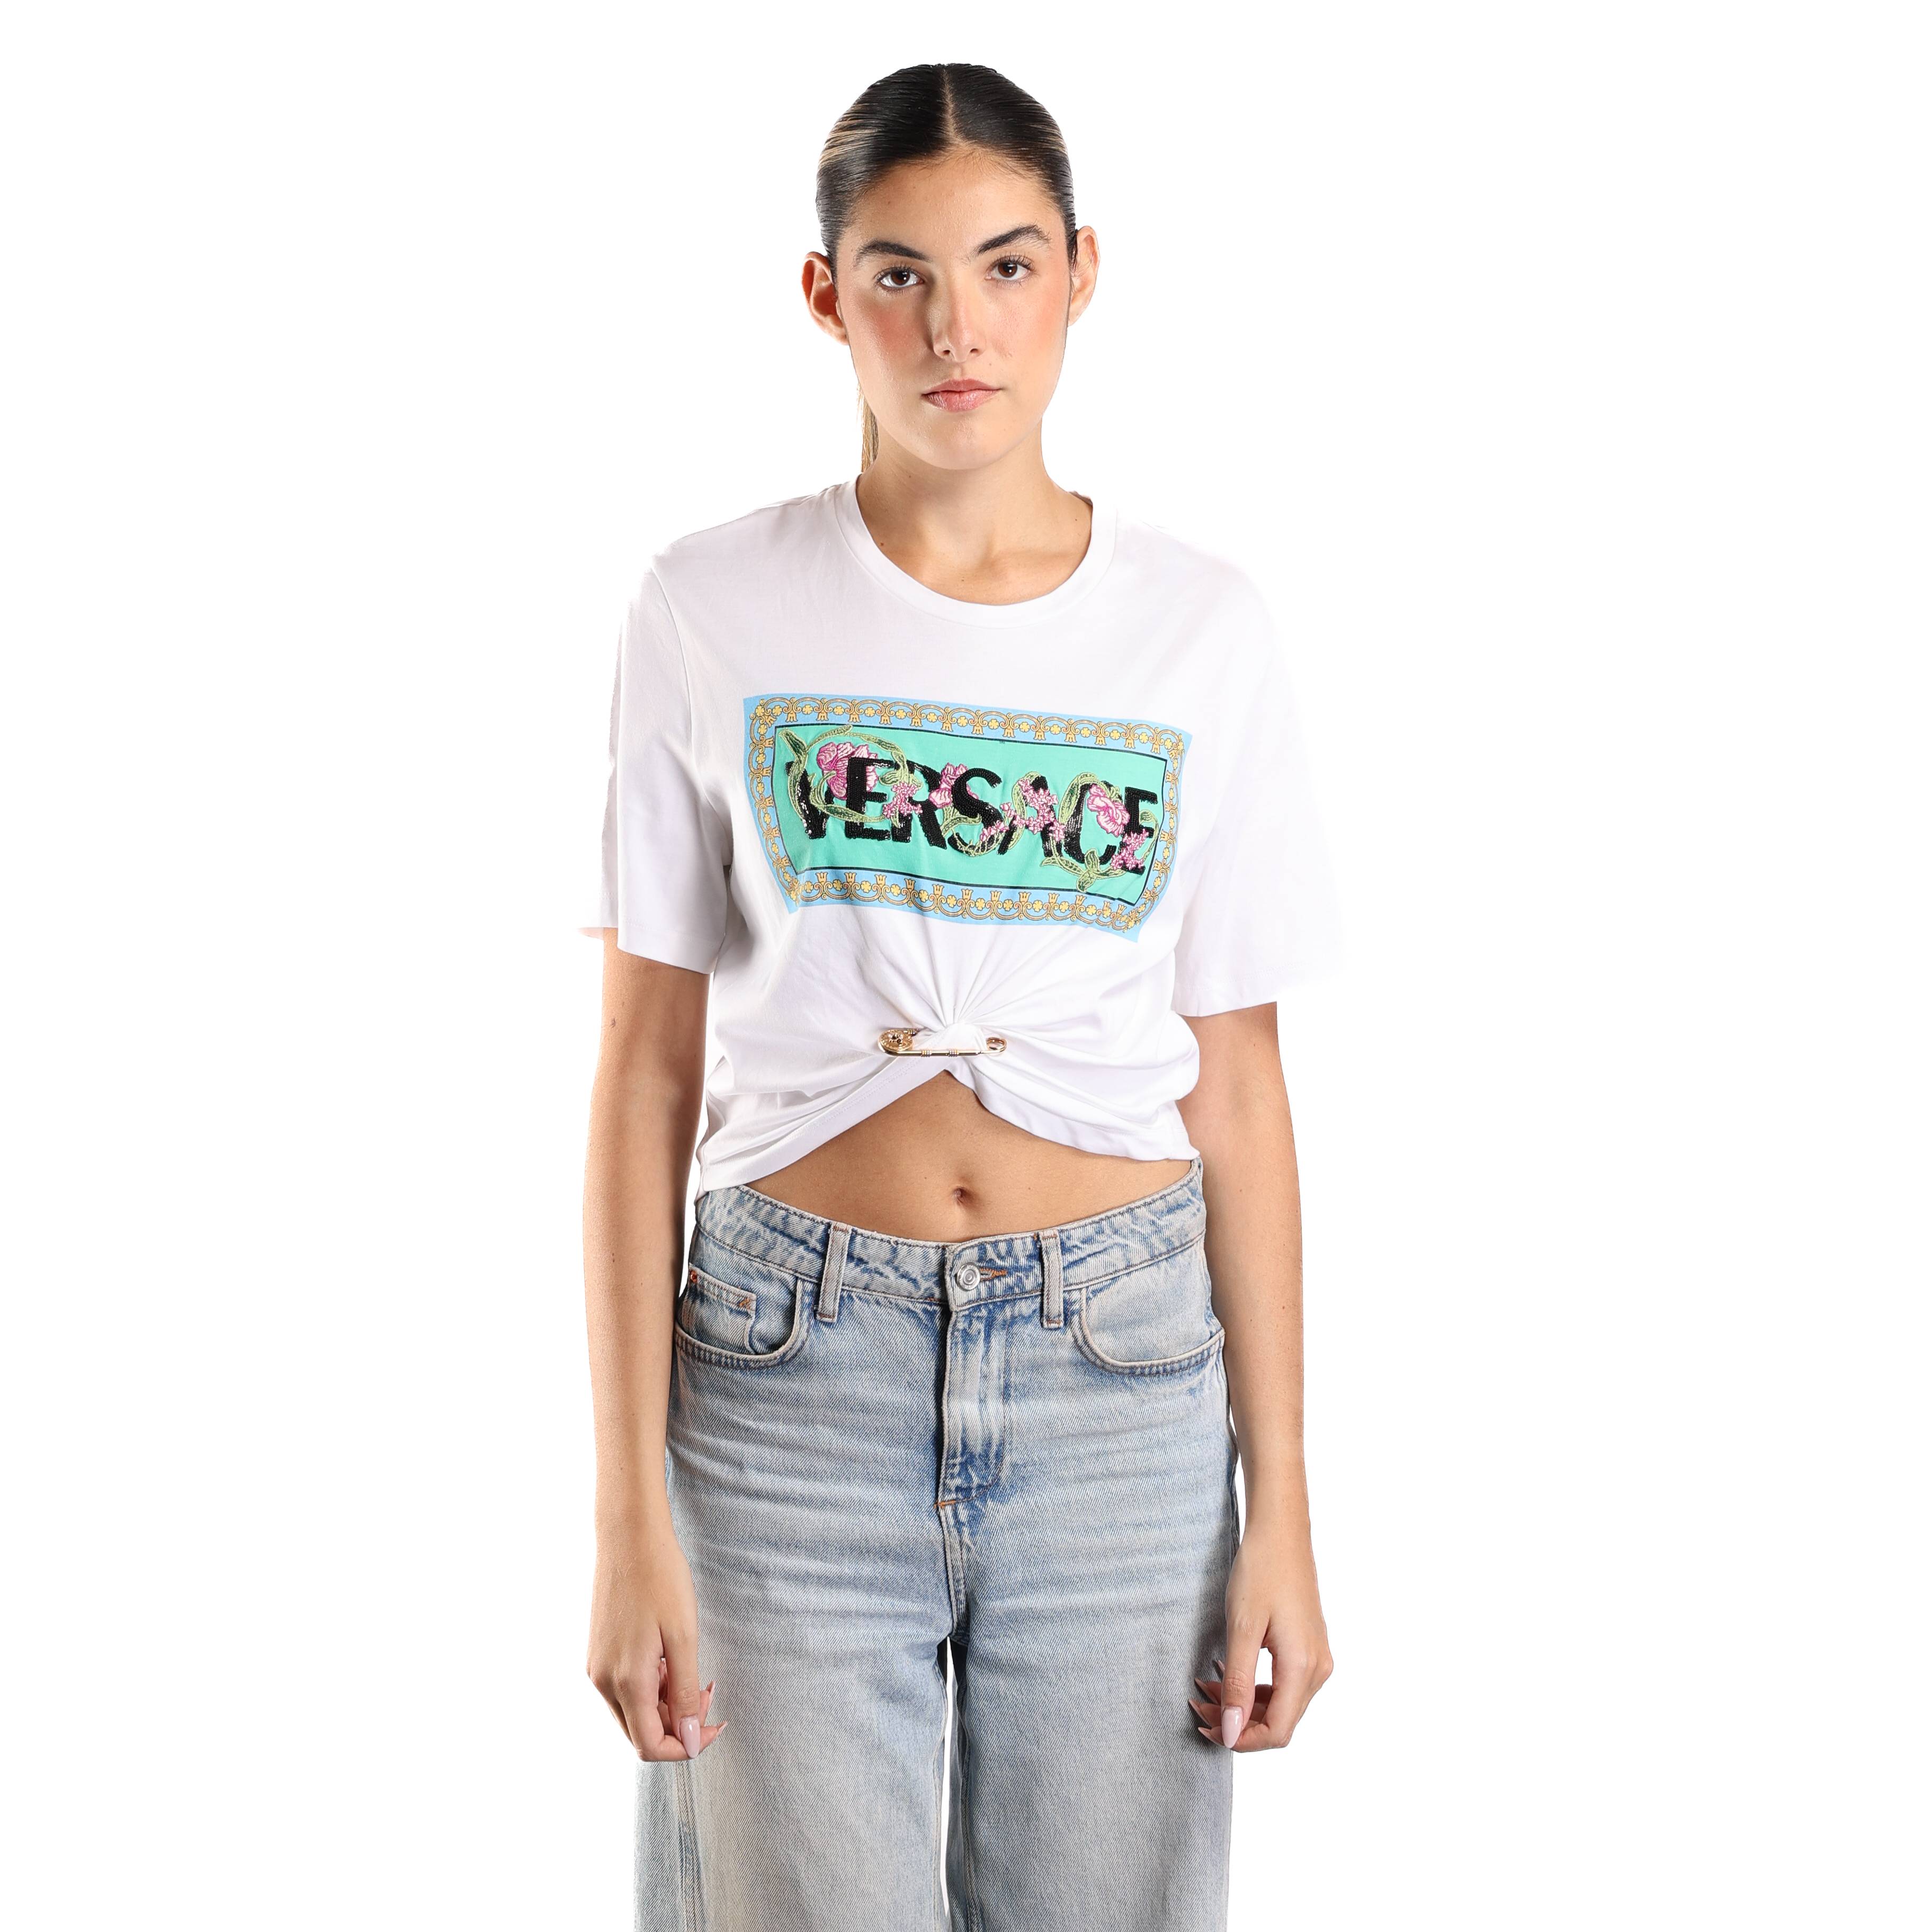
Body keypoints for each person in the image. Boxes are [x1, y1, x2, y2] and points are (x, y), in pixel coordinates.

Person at [582, 61, 1339, 1932]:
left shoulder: (1202, 629)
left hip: (1122, 1382)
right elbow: (644, 1076)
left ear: (1081, 273)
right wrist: (625, 1516)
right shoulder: (707, 606)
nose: (956, 328)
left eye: (1005, 267)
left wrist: (1287, 1511)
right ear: (825, 294)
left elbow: (1241, 1089)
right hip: (786, 1380)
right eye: (900, 274)